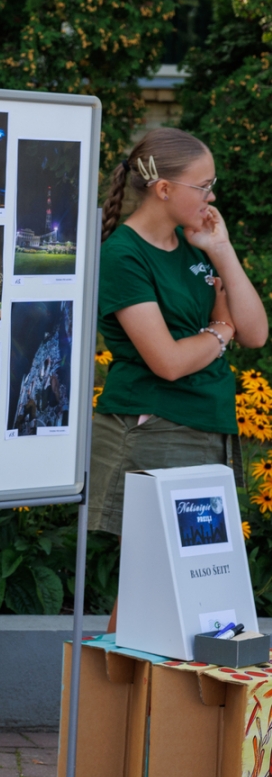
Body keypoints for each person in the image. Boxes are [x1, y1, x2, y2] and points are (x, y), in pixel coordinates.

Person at [90, 128, 268, 545]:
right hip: (156, 430)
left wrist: (221, 248)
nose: (212, 196)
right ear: (165, 189)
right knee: (153, 569)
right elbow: (167, 362)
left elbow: (257, 333)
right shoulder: (123, 255)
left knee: (191, 572)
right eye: (203, 186)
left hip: (207, 423)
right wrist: (222, 330)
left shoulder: (195, 244)